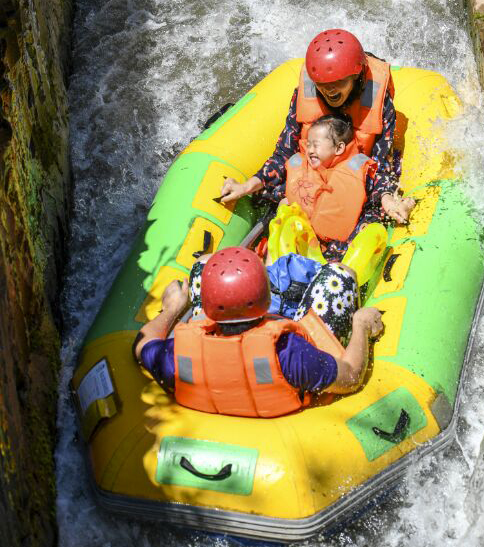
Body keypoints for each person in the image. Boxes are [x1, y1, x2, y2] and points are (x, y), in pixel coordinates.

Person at [134, 246, 383, 416]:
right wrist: (360, 325)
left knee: (203, 264)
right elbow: (350, 377)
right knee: (339, 275)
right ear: (265, 299)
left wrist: (172, 308)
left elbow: (141, 346)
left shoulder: (176, 355)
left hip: (216, 372)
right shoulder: (289, 351)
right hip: (285, 381)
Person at [219, 29, 416, 234]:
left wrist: (386, 198)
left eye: (338, 81)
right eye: (323, 83)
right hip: (312, 175)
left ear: (356, 77)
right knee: (269, 198)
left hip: (355, 180)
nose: (329, 90)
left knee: (372, 219)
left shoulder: (380, 103)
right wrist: (247, 186)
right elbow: (284, 152)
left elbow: (380, 162)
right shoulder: (305, 94)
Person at [284, 113, 408, 253]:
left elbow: (379, 186)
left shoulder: (357, 169)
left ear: (338, 148)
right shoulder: (304, 169)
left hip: (342, 246)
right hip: (306, 243)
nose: (310, 150)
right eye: (308, 145)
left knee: (369, 223)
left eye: (315, 145)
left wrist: (388, 199)